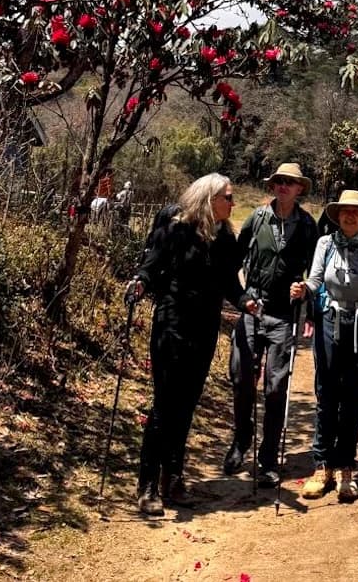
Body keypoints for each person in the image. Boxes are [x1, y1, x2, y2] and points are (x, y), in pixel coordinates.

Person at [125, 173, 258, 516]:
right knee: (164, 405)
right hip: (172, 325)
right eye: (227, 197)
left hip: (204, 329)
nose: (232, 201)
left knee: (186, 405)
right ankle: (148, 485)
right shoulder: (176, 229)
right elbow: (151, 266)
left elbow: (230, 283)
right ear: (209, 199)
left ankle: (174, 477)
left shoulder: (225, 238)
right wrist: (140, 282)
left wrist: (245, 302)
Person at [290, 190, 358, 502]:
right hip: (329, 322)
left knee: (353, 394)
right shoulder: (325, 243)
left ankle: (346, 467)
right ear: (337, 215)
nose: (349, 216)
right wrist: (303, 288)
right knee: (327, 391)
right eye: (345, 211)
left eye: (356, 212)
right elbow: (316, 279)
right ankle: (323, 466)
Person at [223, 162, 318, 487]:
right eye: (278, 181)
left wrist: (305, 293)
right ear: (272, 186)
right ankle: (241, 439)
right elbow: (233, 263)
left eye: (289, 183)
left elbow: (315, 272)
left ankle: (267, 458)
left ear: (299, 189)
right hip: (253, 307)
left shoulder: (308, 226)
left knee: (276, 387)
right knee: (240, 376)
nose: (283, 186)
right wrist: (239, 297)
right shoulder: (257, 217)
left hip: (284, 314)